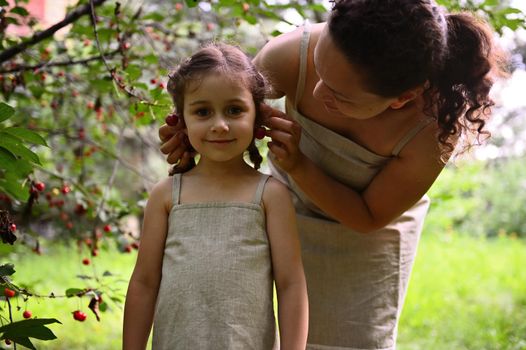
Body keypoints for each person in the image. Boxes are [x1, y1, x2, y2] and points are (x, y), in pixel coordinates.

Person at [158, 1, 507, 349]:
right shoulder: (291, 53)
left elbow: (369, 216)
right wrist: (191, 134)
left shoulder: (429, 133)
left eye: (340, 95)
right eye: (318, 70)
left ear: (403, 98)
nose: (316, 91)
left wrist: (299, 165)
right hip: (285, 210)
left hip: (367, 237)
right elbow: (234, 104)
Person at [123, 43, 308, 350]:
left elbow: (291, 284)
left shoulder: (270, 196)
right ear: (182, 119)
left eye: (234, 110)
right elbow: (144, 283)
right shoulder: (167, 195)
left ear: (257, 116)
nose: (220, 125)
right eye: (203, 111)